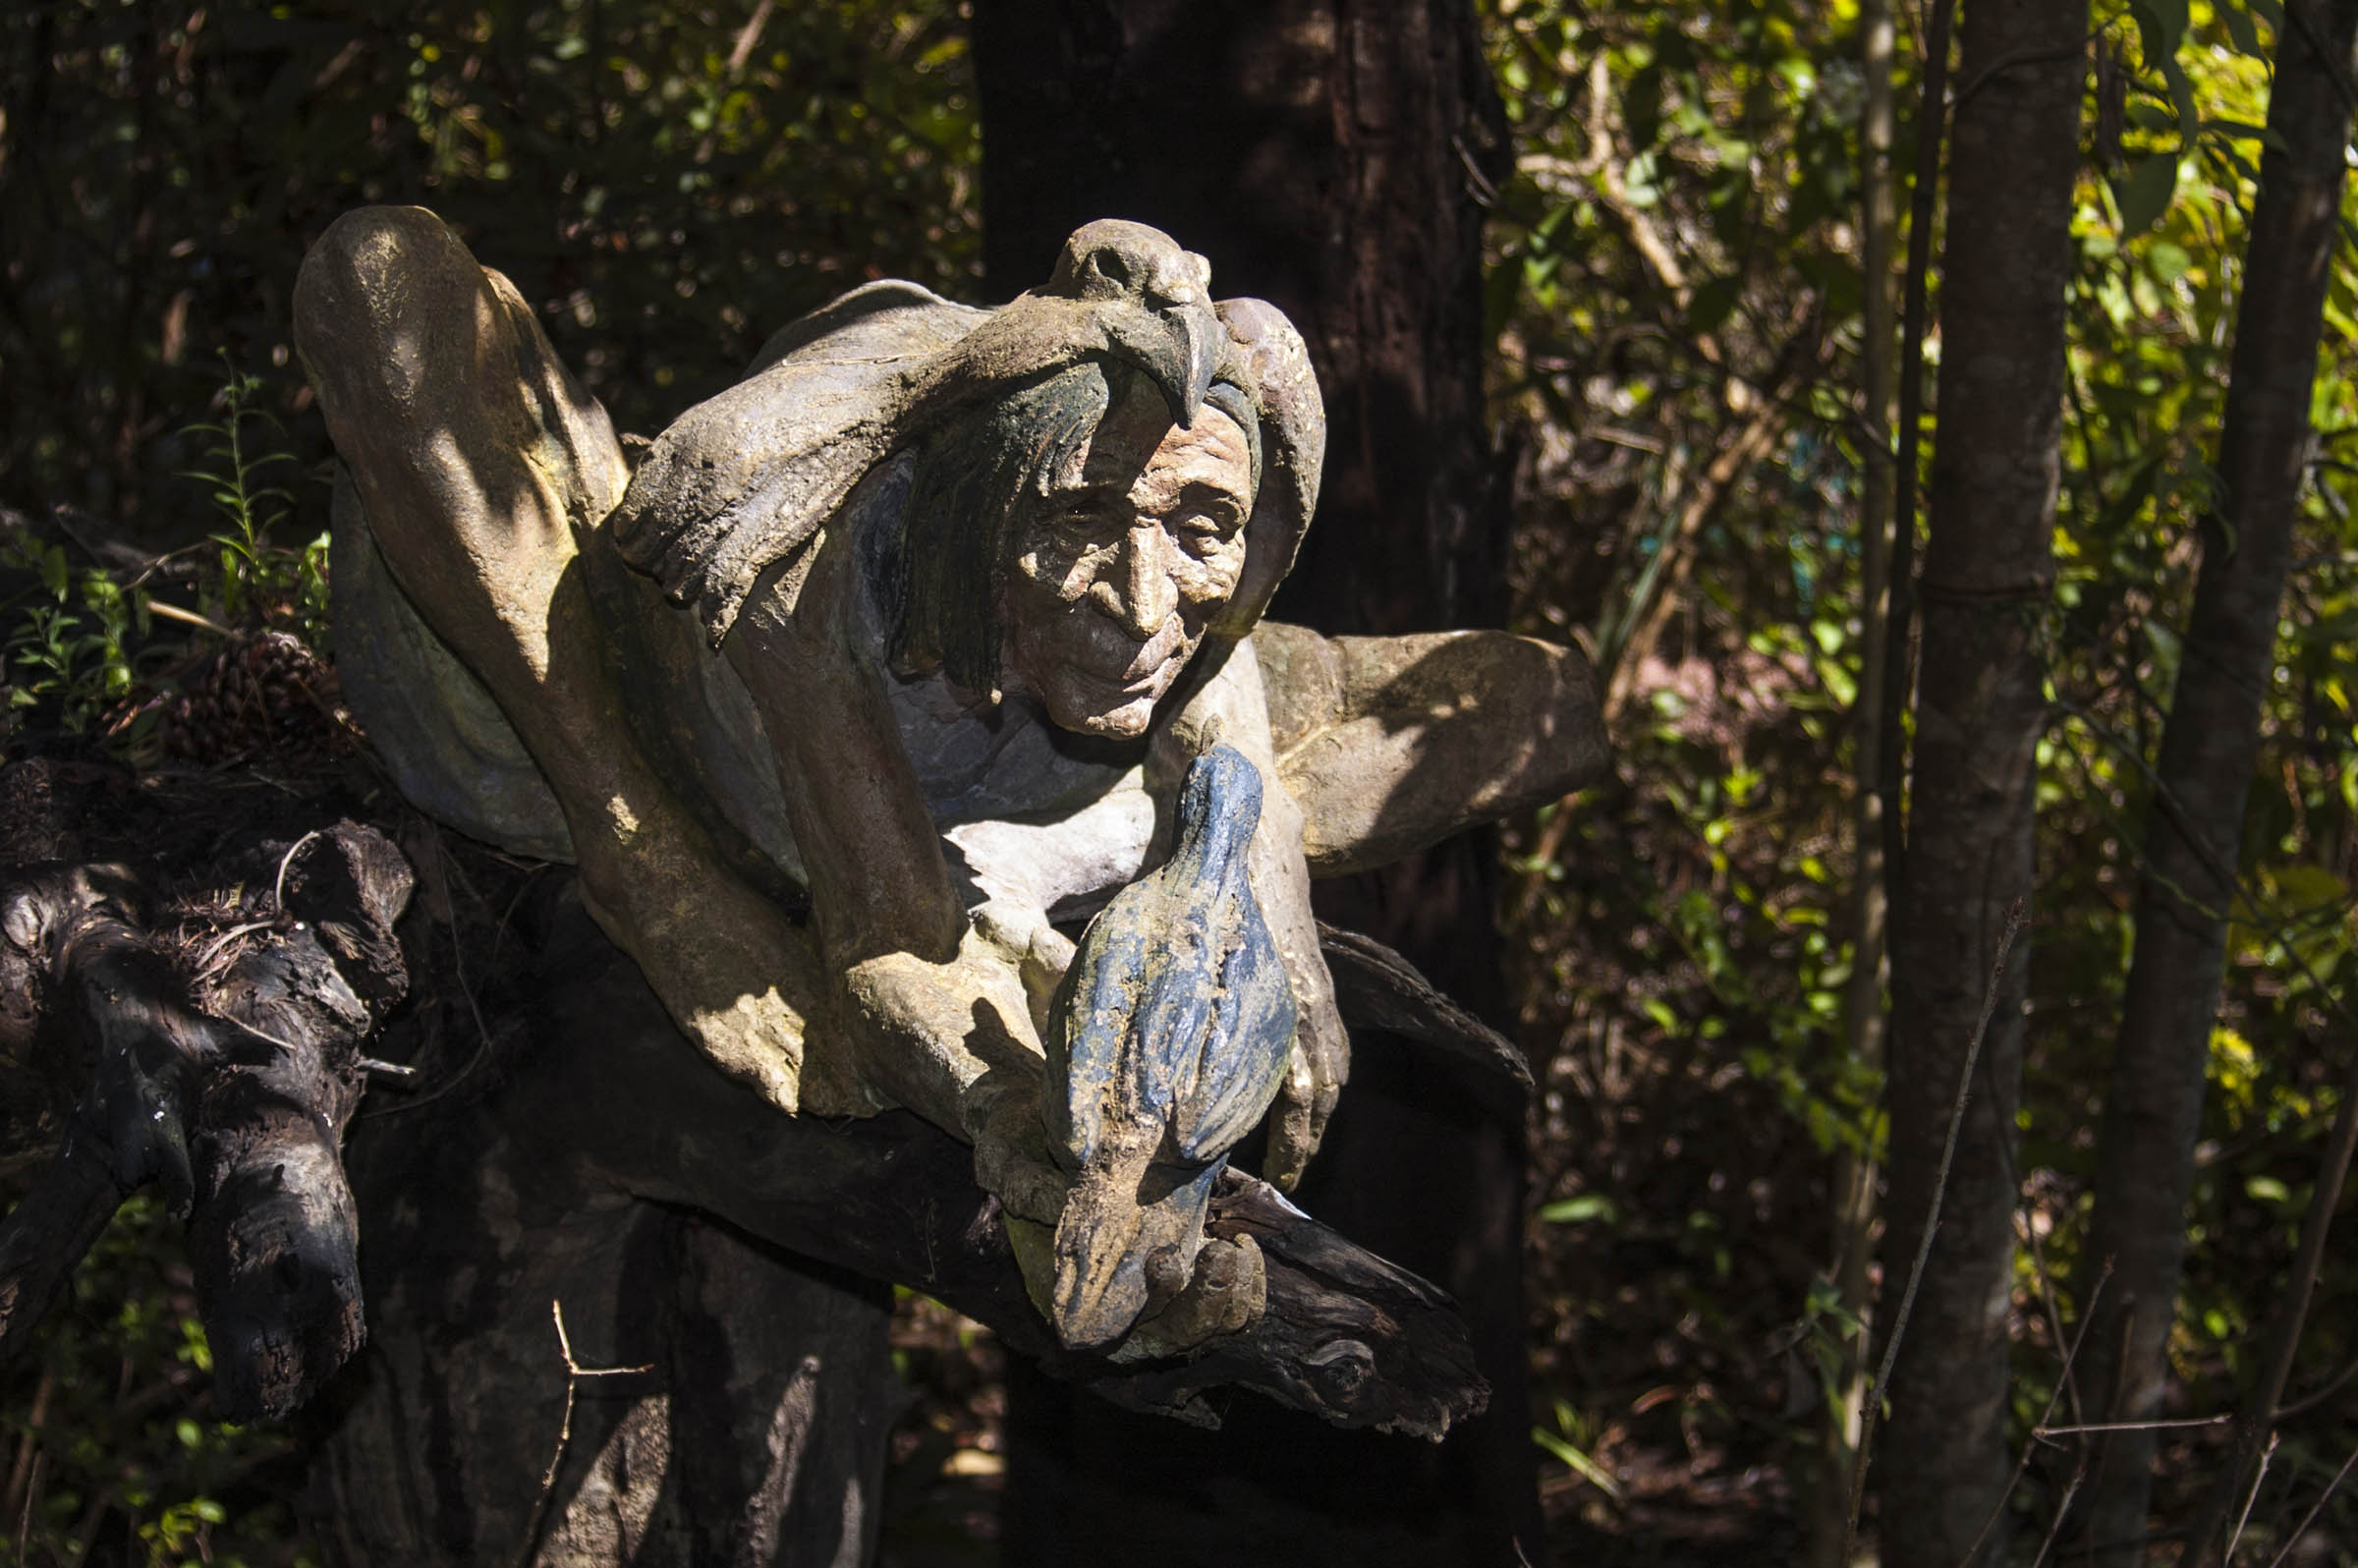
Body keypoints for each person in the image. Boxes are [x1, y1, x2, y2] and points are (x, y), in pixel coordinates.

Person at [295, 208, 1603, 1347]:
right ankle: (641, 848)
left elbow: (1238, 698)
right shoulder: (825, 566)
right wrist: (1024, 1120)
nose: (1141, 600)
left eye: (1203, 532)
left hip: (1041, 818)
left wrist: (1265, 893)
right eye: (1079, 518)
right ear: (981, 510)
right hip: (681, 753)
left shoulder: (1195, 587)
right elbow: (891, 939)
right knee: (382, 271)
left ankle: (1061, 870)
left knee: (1535, 706)